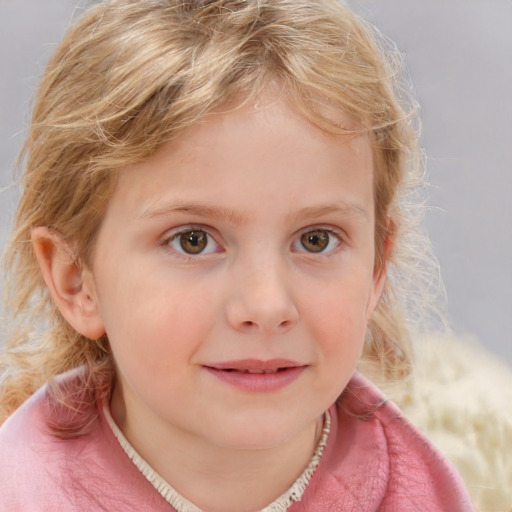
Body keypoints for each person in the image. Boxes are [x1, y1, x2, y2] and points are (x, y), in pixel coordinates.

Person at [0, 0, 475, 510]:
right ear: (77, 279)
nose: (266, 306)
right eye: (193, 240)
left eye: (316, 239)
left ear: (376, 269)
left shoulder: (423, 494)